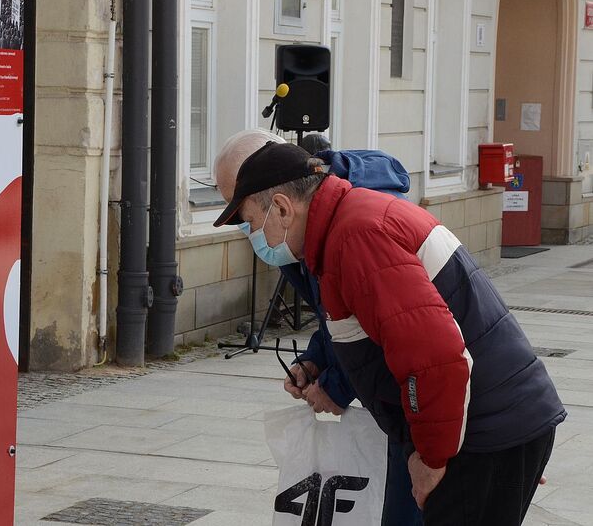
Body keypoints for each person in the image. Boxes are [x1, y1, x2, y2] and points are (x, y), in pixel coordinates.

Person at [214, 141, 566, 525]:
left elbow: (435, 358)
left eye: (252, 223)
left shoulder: (356, 235)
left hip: (479, 433)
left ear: (283, 207)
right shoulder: (342, 228)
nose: (254, 237)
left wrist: (431, 460)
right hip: (486, 429)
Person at [215, 130, 420, 525]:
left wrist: (337, 388)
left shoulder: (355, 228)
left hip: (430, 405)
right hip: (419, 405)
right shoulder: (298, 226)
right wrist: (313, 362)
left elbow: (387, 333)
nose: (246, 227)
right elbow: (336, 316)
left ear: (275, 195)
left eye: (244, 214)